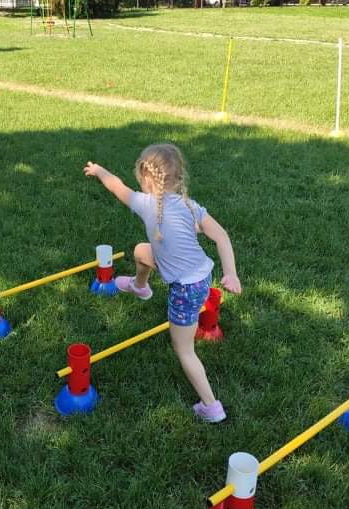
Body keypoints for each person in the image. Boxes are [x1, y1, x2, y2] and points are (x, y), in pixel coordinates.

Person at [83, 144, 241, 423]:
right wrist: (230, 273)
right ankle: (139, 286)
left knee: (184, 350)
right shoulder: (191, 207)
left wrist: (98, 170)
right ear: (178, 177)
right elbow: (222, 236)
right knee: (141, 251)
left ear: (146, 177)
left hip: (185, 288)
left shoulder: (145, 203)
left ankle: (211, 406)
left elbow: (116, 186)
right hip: (202, 276)